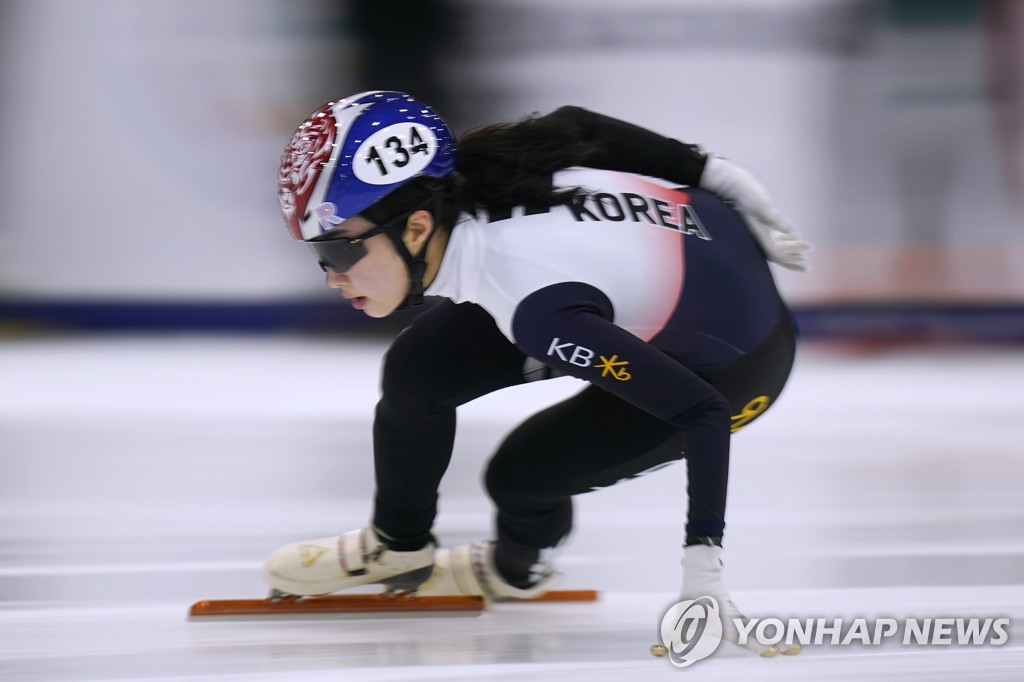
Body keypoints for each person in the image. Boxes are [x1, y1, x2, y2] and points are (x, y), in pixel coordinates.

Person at [267, 91, 810, 655]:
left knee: (522, 475)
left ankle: (513, 569)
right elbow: (577, 124)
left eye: (338, 254)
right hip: (685, 261)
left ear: (416, 228)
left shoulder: (533, 306)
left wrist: (704, 569)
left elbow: (703, 410)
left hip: (739, 364)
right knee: (417, 369)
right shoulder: (488, 184)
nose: (331, 278)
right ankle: (398, 545)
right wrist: (718, 175)